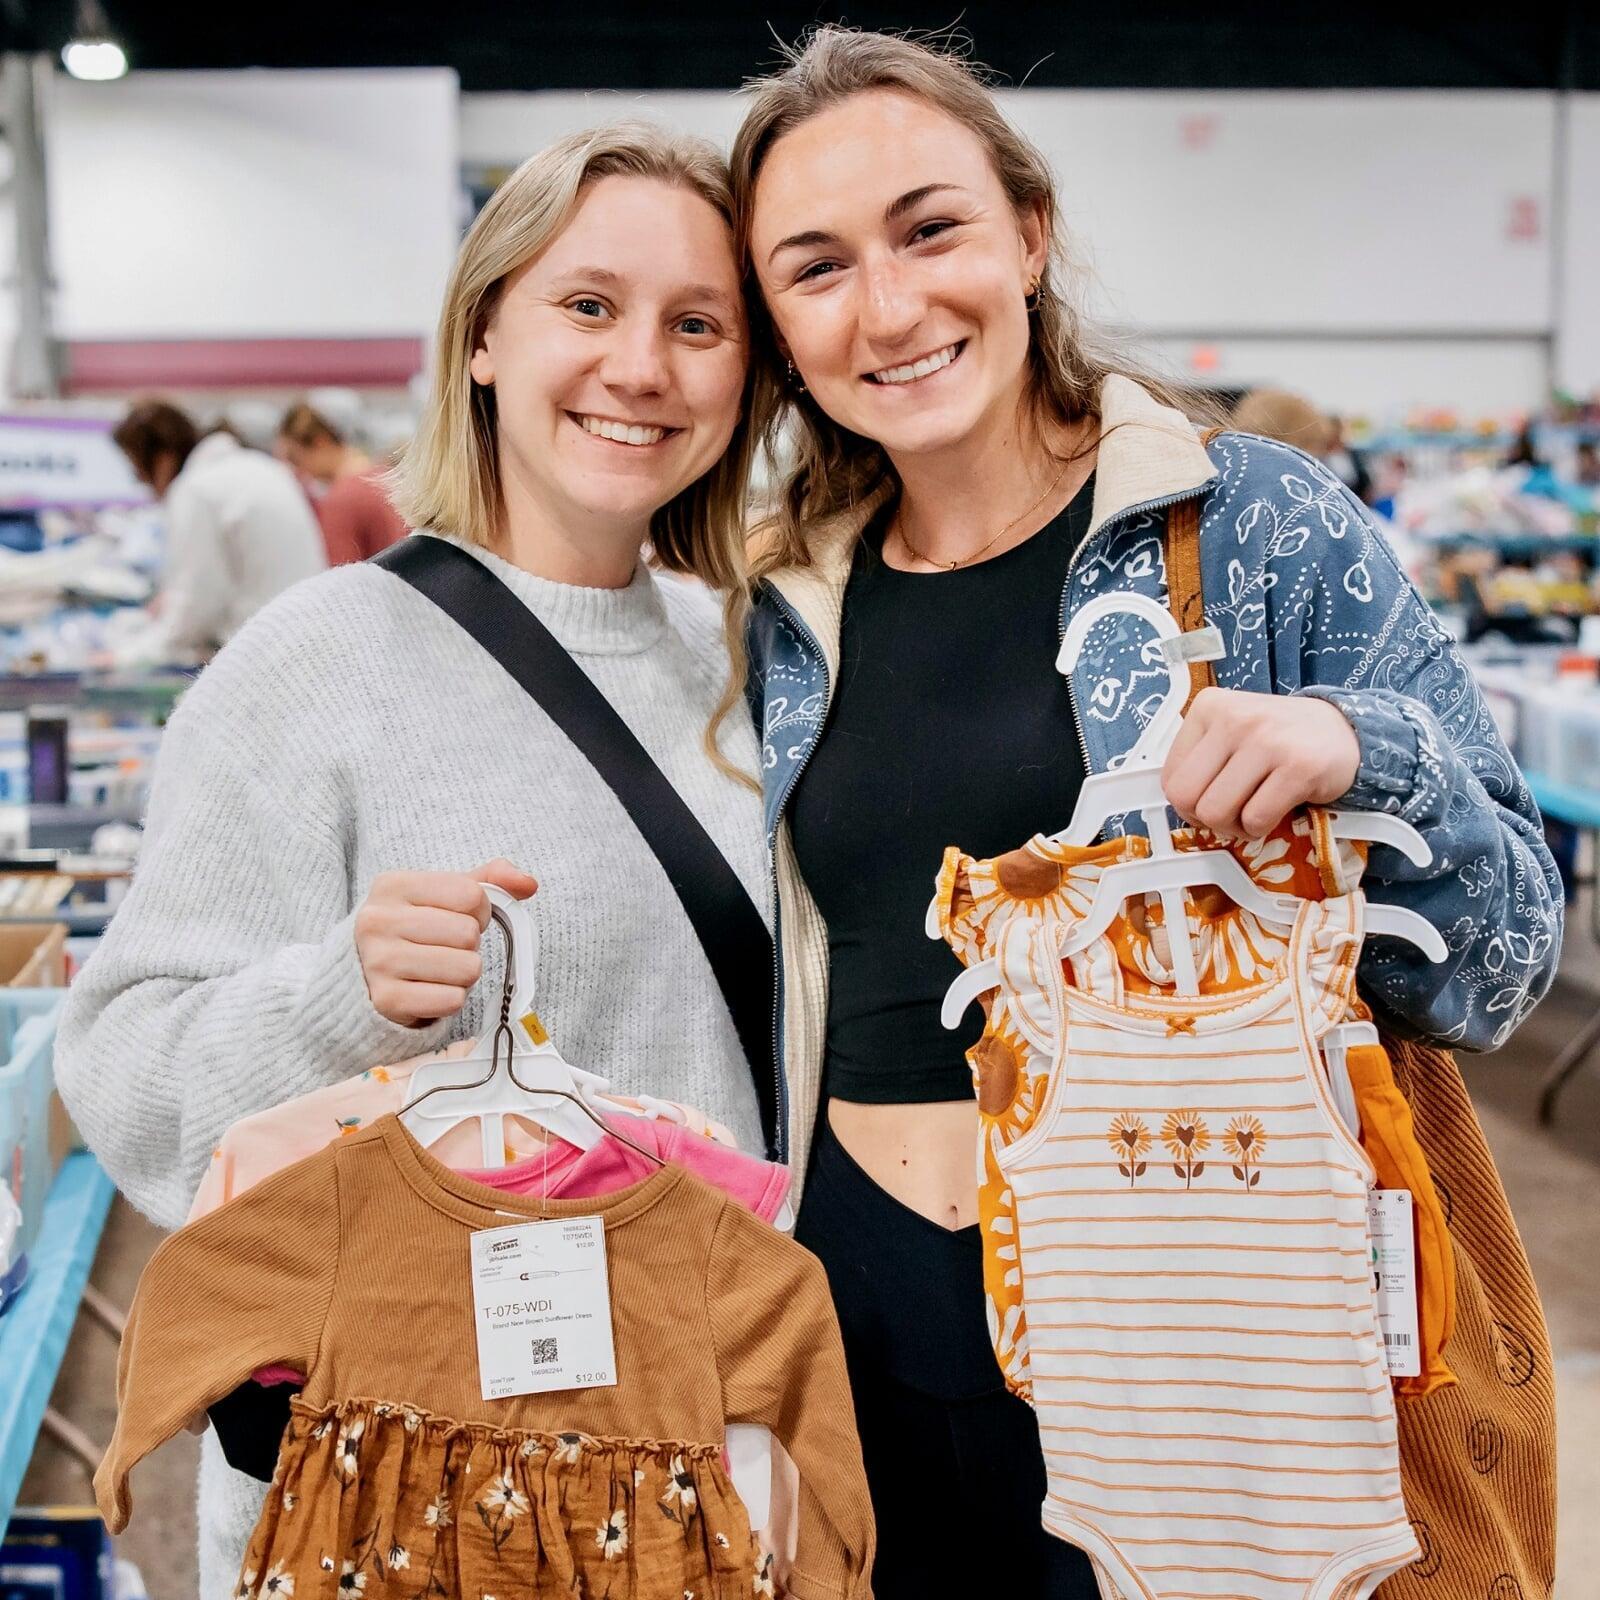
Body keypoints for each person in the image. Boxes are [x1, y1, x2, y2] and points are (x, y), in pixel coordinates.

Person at [727, 28, 1563, 1598]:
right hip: (859, 1336)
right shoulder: (785, 600)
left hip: (1203, 1323)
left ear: (1027, 233)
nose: (891, 306)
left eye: (931, 229)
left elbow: (1509, 964)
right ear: (776, 322)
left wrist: (1357, 748)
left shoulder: (1250, 524)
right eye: (817, 267)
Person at [56, 123, 766, 1594]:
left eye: (697, 324)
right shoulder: (316, 663)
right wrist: (342, 998)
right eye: (589, 305)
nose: (642, 365)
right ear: (486, 333)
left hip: (708, 1469)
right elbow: (119, 1068)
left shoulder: (758, 661)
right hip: (418, 1493)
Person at [111, 400, 328, 659]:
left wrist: (126, 656)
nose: (144, 484)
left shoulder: (197, 489)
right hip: (301, 640)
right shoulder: (259, 467)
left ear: (162, 460)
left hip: (260, 655)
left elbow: (196, 609)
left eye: (140, 472)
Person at [277, 399, 408, 563]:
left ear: (321, 442)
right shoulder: (389, 480)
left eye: (295, 459)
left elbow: (338, 577)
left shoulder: (341, 500)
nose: (298, 471)